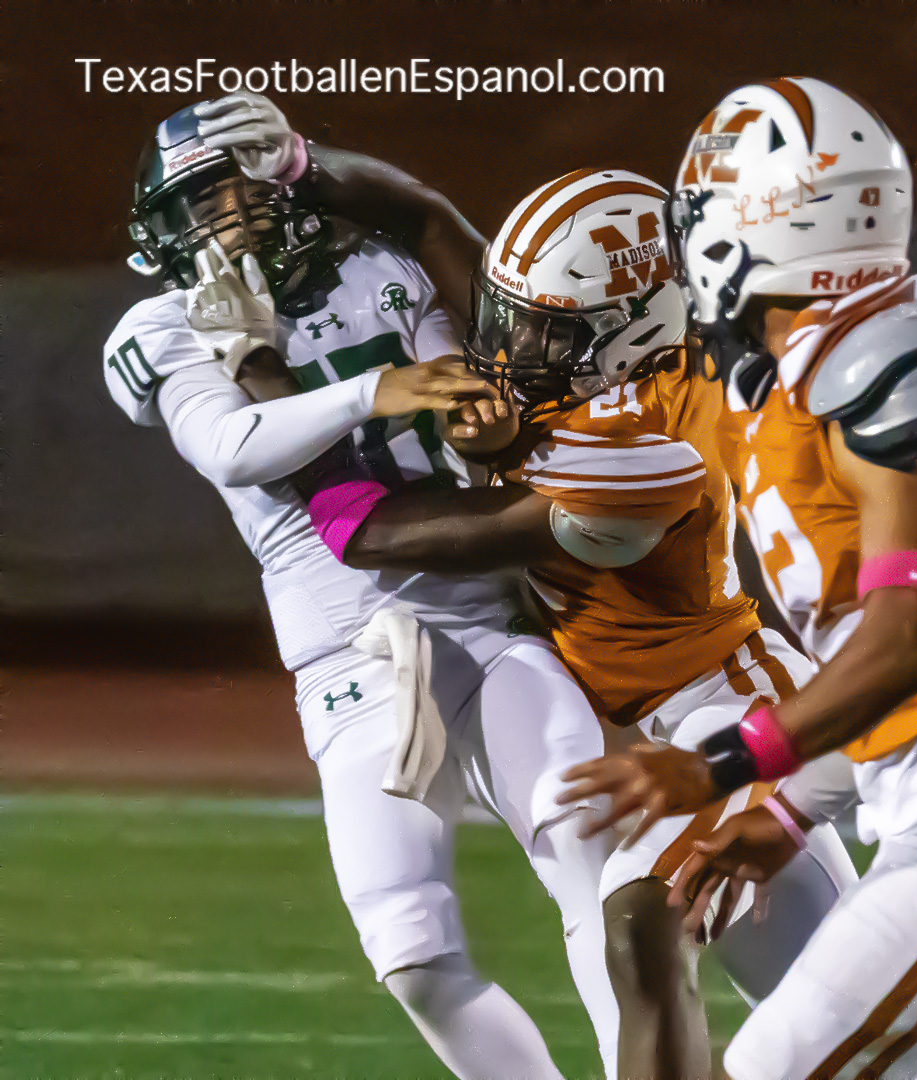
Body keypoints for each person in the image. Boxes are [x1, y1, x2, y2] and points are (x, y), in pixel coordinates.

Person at [193, 91, 858, 1080]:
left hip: (723, 716)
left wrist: (257, 367)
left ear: (632, 327)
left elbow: (371, 533)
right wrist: (296, 167)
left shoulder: (652, 443)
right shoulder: (590, 364)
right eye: (511, 316)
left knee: (796, 999)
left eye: (543, 329)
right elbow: (422, 215)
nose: (508, 345)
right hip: (644, 721)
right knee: (794, 1016)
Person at [559, 77, 917, 1080]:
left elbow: (907, 643)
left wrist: (720, 767)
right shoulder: (802, 373)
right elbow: (887, 671)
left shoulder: (887, 355)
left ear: (754, 225)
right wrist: (792, 810)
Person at [106, 102, 623, 1080]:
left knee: (594, 865)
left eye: (237, 190)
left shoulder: (378, 269)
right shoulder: (163, 326)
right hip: (346, 650)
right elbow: (231, 445)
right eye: (199, 204)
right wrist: (368, 391)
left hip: (482, 617)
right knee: (410, 948)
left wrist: (480, 421)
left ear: (284, 185)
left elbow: (468, 393)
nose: (224, 219)